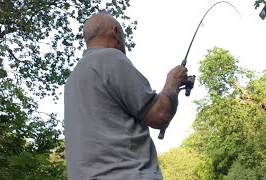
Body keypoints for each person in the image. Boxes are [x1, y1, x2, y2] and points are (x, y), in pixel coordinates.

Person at [64, 12, 188, 180]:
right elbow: (160, 115)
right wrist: (173, 81)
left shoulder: (73, 80)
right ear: (116, 32)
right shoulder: (110, 58)